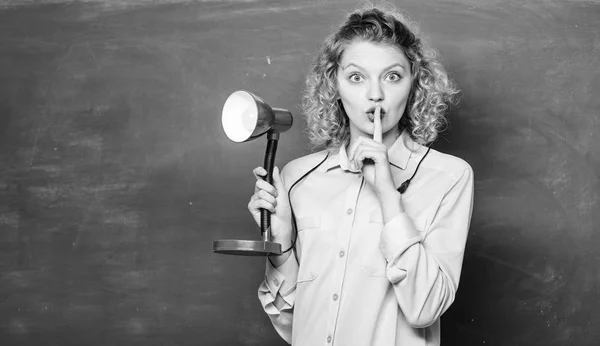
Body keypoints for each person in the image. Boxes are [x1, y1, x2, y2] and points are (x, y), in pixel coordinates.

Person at [248, 4, 474, 345]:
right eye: (356, 77)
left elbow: (425, 308)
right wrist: (281, 246)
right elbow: (294, 323)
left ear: (415, 83)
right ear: (334, 84)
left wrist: (387, 194)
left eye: (392, 76)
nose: (375, 94)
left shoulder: (448, 177)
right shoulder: (298, 178)